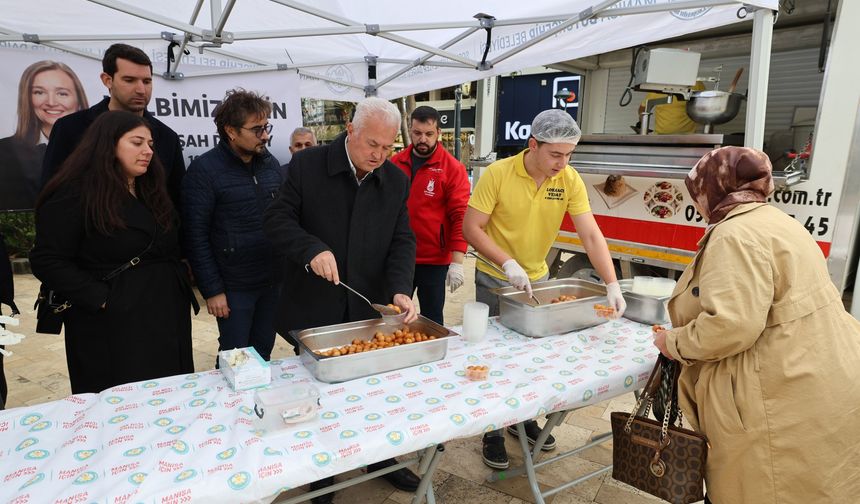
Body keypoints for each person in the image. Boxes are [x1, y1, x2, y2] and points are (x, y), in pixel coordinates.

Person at [652, 146, 860, 504]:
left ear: (713, 189)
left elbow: (730, 326)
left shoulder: (734, 234)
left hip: (775, 389)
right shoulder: (779, 220)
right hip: (820, 373)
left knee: (763, 486)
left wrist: (673, 342)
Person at [264, 97, 420, 502]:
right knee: (320, 392)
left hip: (368, 303)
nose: (379, 155)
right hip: (316, 304)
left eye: (388, 148)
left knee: (375, 390)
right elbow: (277, 221)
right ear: (350, 129)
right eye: (372, 144)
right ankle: (323, 474)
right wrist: (310, 248)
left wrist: (401, 287)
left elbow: (402, 240)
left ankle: (382, 459)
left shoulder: (396, 179)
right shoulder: (306, 165)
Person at [462, 108, 627, 470]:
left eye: (569, 154)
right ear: (532, 144)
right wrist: (506, 262)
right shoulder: (498, 174)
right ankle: (492, 428)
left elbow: (589, 233)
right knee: (495, 355)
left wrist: (612, 284)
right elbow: (471, 228)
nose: (563, 162)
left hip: (537, 277)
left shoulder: (568, 179)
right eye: (556, 154)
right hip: (495, 277)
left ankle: (523, 419)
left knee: (529, 355)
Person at [30, 111, 197, 394]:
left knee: (169, 395)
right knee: (123, 405)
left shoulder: (151, 189)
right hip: (111, 325)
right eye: (137, 142)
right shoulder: (74, 194)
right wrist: (104, 299)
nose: (148, 151)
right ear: (107, 144)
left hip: (165, 314)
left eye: (150, 144)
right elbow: (47, 259)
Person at [182, 89, 284, 362]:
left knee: (262, 353)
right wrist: (213, 290)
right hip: (233, 288)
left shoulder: (270, 164)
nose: (265, 135)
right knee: (234, 358)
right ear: (230, 131)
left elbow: (283, 219)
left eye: (266, 127)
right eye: (257, 129)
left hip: (271, 283)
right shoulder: (204, 171)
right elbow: (195, 236)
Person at [41, 43, 185, 209]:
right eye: (129, 80)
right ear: (107, 80)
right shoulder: (70, 128)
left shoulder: (167, 137)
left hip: (149, 233)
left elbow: (174, 200)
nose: (141, 89)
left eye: (147, 81)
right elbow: (52, 193)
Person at [390, 106, 469, 325]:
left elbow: (460, 215)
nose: (422, 139)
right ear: (410, 130)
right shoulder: (395, 164)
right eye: (417, 133)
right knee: (394, 315)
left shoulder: (452, 169)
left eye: (429, 134)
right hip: (399, 258)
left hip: (434, 260)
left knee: (431, 319)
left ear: (438, 133)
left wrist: (457, 262)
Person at [0, 60, 88, 211]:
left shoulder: (98, 147)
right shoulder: (4, 151)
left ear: (78, 100)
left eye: (62, 93)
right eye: (39, 92)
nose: (51, 102)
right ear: (27, 99)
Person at [636, 81, 705, 134]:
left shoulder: (695, 84)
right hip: (660, 138)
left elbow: (706, 108)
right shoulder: (657, 86)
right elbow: (642, 108)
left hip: (687, 138)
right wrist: (642, 124)